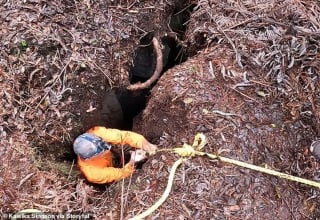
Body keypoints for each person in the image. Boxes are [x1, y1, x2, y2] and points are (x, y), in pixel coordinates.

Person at [73, 126, 157, 184]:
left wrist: (143, 143)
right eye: (102, 151)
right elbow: (121, 174)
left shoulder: (96, 133)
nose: (107, 149)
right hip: (110, 172)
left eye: (105, 145)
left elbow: (123, 136)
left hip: (113, 156)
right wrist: (132, 162)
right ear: (91, 158)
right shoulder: (93, 173)